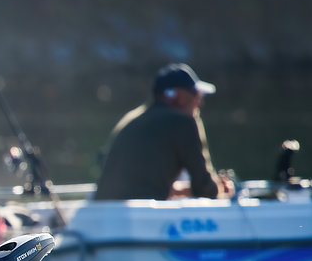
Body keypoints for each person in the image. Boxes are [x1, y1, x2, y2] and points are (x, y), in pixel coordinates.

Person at [95, 63, 234, 201]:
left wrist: (183, 191)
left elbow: (137, 183)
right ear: (175, 95)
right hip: (141, 215)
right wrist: (222, 190)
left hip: (103, 209)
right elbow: (205, 189)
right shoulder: (182, 122)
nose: (199, 102)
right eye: (195, 94)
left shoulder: (131, 119)